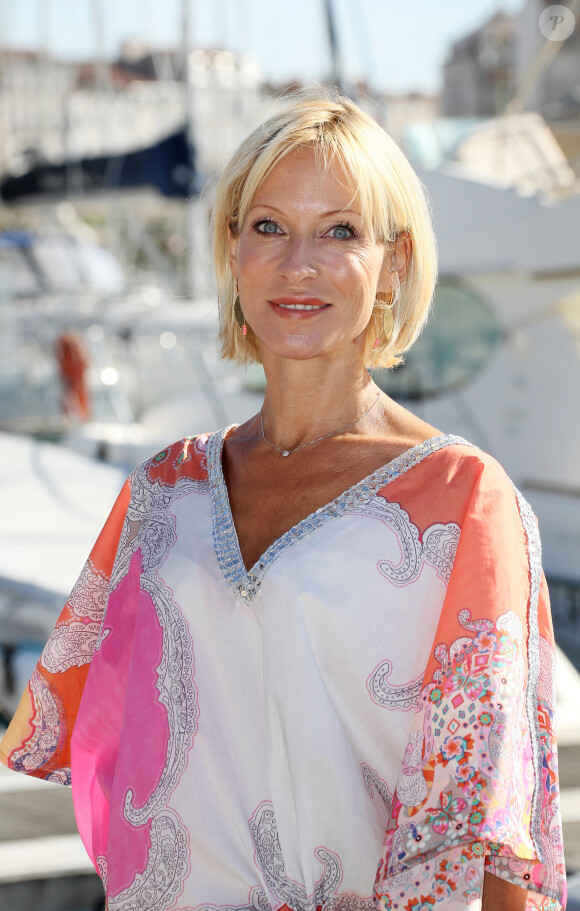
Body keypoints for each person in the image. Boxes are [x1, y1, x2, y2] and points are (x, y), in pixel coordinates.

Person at [0, 91, 565, 911]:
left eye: (340, 231)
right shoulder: (162, 493)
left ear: (394, 262)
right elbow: (117, 771)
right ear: (232, 251)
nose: (299, 263)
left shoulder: (466, 498)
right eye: (269, 226)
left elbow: (499, 830)